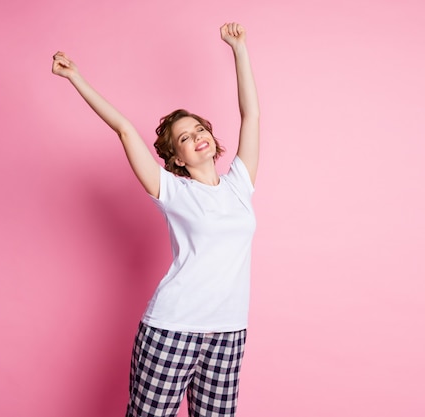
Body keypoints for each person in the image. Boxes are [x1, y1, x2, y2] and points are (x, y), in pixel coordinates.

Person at [52, 22, 259, 417]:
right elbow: (126, 131)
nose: (197, 135)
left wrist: (239, 50)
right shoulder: (173, 191)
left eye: (200, 128)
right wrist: (76, 78)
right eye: (184, 137)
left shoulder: (240, 185)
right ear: (177, 158)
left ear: (213, 139)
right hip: (171, 330)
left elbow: (251, 115)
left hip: (229, 335)